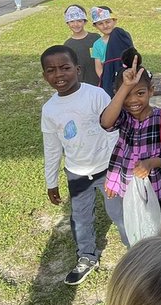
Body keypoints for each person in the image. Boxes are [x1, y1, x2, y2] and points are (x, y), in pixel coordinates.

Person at [41, 44, 118, 285]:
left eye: (65, 68)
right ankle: (87, 256)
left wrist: (116, 167)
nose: (59, 75)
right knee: (81, 218)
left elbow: (112, 131)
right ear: (45, 76)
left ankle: (138, 251)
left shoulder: (95, 95)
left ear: (78, 69)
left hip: (107, 169)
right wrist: (51, 181)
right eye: (51, 70)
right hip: (76, 173)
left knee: (121, 214)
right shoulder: (49, 109)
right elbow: (52, 147)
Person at [99, 52, 161, 246]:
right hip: (125, 187)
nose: (133, 100)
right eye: (126, 95)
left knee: (158, 230)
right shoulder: (124, 117)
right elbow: (105, 122)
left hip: (155, 187)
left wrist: (152, 162)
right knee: (133, 228)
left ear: (151, 91)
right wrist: (125, 87)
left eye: (140, 93)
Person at [91, 6, 135, 98]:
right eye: (100, 23)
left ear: (114, 21)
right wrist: (106, 80)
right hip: (109, 79)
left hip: (126, 75)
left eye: (108, 21)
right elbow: (98, 67)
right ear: (95, 26)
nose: (105, 26)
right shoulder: (97, 45)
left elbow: (132, 56)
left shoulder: (123, 37)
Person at [63, 5, 101, 87]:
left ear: (85, 21)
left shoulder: (95, 38)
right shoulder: (67, 45)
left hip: (100, 82)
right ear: (67, 23)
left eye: (79, 21)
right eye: (72, 21)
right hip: (81, 86)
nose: (76, 24)